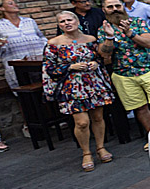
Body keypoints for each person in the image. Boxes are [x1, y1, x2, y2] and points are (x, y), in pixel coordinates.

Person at [42, 10, 115, 170]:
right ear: (59, 25)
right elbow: (49, 68)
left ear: (77, 22)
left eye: (70, 20)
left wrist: (96, 63)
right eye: (62, 21)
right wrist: (70, 66)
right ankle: (86, 153)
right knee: (82, 122)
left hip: (94, 82)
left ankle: (101, 147)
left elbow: (101, 56)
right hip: (72, 86)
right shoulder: (54, 43)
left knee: (98, 117)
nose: (67, 23)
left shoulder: (90, 39)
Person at [96, 0, 150, 137]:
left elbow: (148, 43)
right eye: (110, 7)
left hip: (147, 69)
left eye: (117, 6)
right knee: (140, 108)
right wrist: (109, 37)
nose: (114, 9)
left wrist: (130, 33)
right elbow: (104, 53)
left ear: (123, 7)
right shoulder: (104, 29)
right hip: (123, 74)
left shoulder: (137, 22)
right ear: (104, 10)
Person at [0, 0, 48, 91]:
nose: (15, 5)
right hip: (18, 68)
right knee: (28, 96)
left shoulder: (29, 21)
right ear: (1, 8)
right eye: (11, 3)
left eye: (15, 3)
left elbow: (41, 38)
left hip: (39, 65)